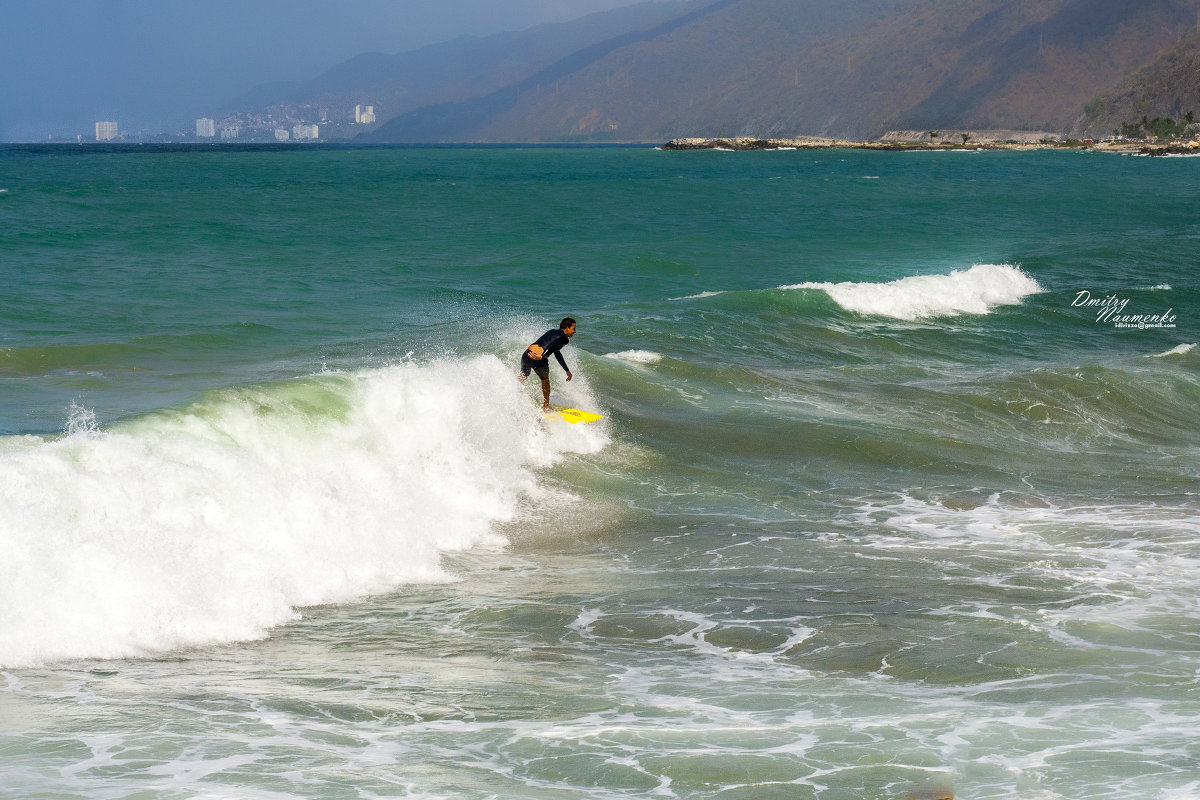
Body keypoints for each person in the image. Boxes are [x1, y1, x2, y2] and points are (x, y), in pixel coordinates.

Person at [518, 317, 575, 411]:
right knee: (545, 380)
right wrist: (543, 356)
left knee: (524, 375)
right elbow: (551, 346)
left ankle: (512, 389)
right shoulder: (564, 339)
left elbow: (556, 352)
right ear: (567, 328)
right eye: (573, 328)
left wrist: (566, 370)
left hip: (527, 354)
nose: (575, 331)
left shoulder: (552, 331)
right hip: (538, 359)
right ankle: (546, 407)